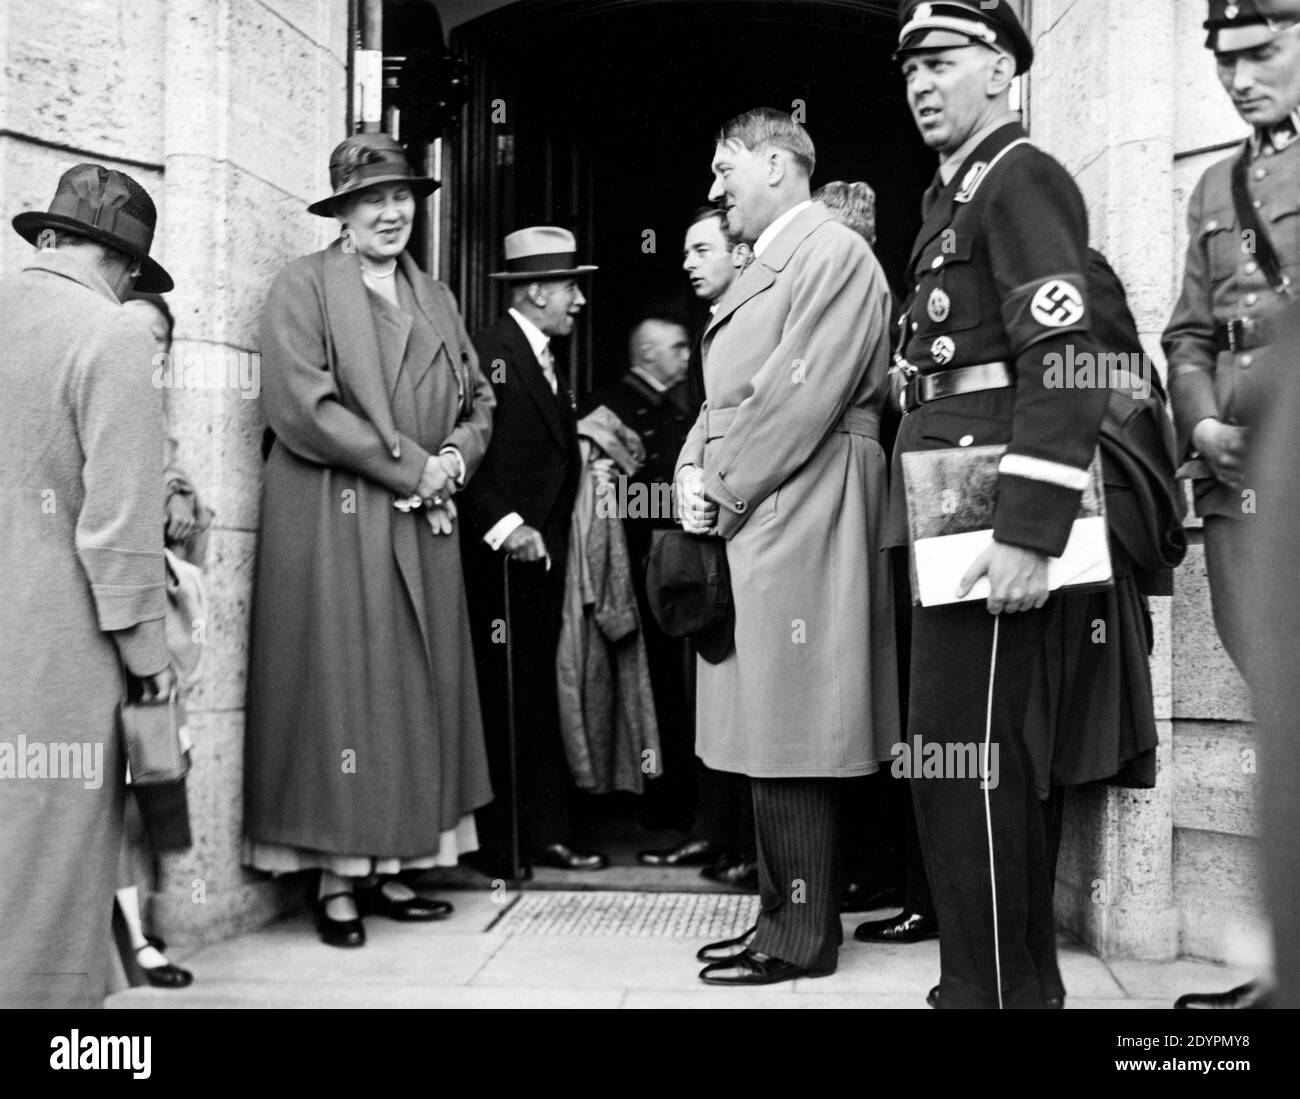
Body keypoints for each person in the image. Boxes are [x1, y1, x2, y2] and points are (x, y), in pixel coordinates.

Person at [888, 0, 1109, 1009]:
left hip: (990, 520)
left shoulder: (1021, 179)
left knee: (961, 758)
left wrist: (1029, 534)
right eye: (908, 70)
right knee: (967, 758)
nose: (920, 84)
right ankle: (1013, 990)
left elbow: (1063, 363)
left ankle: (978, 997)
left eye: (938, 61)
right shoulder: (952, 196)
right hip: (947, 511)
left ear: (999, 69)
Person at [242, 133, 495, 947]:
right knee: (342, 691)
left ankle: (389, 865)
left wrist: (455, 457)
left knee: (407, 693)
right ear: (342, 213)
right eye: (371, 199)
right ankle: (335, 882)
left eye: (402, 197)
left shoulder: (440, 296)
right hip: (333, 515)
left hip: (424, 515)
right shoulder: (302, 287)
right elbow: (303, 408)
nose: (391, 212)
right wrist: (414, 468)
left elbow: (478, 397)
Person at [677, 107, 899, 986]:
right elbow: (727, 399)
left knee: (797, 724)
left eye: (725, 168)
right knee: (767, 726)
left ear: (778, 164)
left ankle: (803, 932)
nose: (714, 187)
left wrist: (720, 484)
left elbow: (798, 399)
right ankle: (777, 914)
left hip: (802, 497)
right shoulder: (780, 258)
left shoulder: (832, 253)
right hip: (768, 496)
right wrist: (697, 466)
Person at [0, 164, 175, 1006]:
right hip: (56, 656)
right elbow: (118, 531)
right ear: (124, 266)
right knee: (51, 883)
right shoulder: (115, 336)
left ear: (48, 239)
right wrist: (152, 656)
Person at [1162, 0, 1300, 1010]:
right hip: (1237, 490)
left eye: (1263, 53)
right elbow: (1188, 333)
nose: (1240, 78)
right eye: (1227, 62)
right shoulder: (1215, 184)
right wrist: (1203, 424)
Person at [460, 226, 610, 877]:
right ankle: (502, 847)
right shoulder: (489, 349)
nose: (579, 299)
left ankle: (542, 832)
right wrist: (507, 526)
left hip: (539, 559)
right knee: (502, 699)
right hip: (501, 559)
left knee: (536, 693)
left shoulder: (543, 353)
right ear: (539, 289)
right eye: (571, 286)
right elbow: (464, 445)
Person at [634, 210, 759, 890]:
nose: (687, 260)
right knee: (716, 694)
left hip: (749, 530)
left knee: (748, 695)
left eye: (701, 247)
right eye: (683, 247)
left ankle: (748, 843)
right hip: (710, 533)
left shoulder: (759, 316)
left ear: (741, 255)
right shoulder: (722, 324)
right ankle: (718, 832)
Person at [113, 291, 213, 988]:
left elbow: (194, 537)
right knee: (109, 792)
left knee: (150, 786)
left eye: (162, 341)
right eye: (138, 335)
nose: (151, 350)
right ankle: (131, 941)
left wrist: (184, 505)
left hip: (154, 633)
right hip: (104, 633)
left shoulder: (160, 428)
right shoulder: (99, 408)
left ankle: (139, 929)